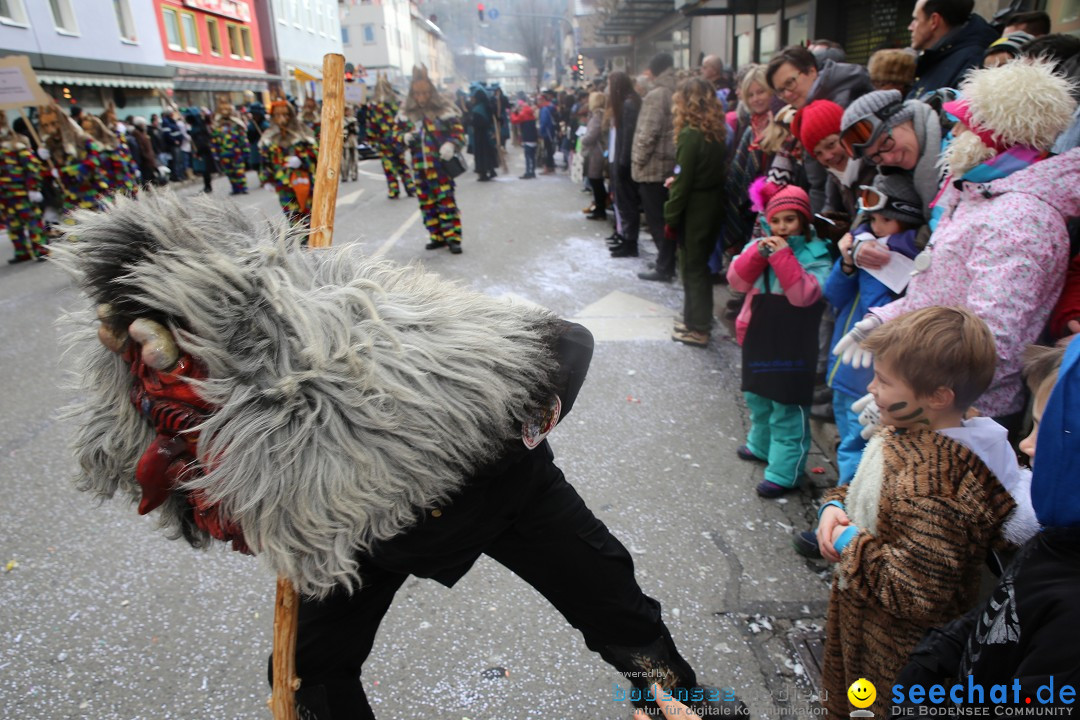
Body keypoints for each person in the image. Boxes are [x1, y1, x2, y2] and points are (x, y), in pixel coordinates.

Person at [53, 190, 749, 720]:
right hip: (363, 526)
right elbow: (175, 474)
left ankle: (694, 710)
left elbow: (565, 344)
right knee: (305, 673)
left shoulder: (393, 325)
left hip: (501, 492)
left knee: (623, 620)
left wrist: (514, 426)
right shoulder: (217, 400)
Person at [834, 59, 1080, 436]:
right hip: (939, 396)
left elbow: (994, 338)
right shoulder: (983, 194)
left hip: (966, 411)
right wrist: (885, 320)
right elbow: (941, 289)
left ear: (993, 135)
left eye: (964, 125)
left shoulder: (1020, 216)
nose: (954, 132)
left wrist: (914, 395)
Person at [815, 306, 1039, 718]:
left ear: (937, 397)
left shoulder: (938, 483)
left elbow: (915, 593)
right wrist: (835, 504)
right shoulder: (909, 428)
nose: (872, 388)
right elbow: (869, 484)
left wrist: (849, 541)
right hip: (859, 625)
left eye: (883, 381)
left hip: (893, 656)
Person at [792, 174, 924, 557]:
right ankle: (841, 515)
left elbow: (882, 302)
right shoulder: (865, 246)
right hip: (844, 367)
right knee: (850, 447)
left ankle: (848, 526)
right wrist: (849, 263)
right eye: (869, 219)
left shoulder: (906, 260)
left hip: (872, 375)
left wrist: (874, 256)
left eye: (883, 220)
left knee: (862, 450)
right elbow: (832, 296)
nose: (873, 227)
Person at [727, 185, 831, 498]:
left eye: (790, 220)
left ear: (803, 221)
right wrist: (757, 254)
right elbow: (736, 281)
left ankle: (785, 472)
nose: (782, 227)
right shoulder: (759, 246)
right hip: (758, 333)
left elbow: (804, 296)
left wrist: (783, 256)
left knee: (787, 406)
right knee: (757, 396)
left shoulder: (816, 253)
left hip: (793, 344)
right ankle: (761, 445)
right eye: (776, 220)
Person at [766, 44, 873, 212]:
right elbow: (822, 183)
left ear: (812, 71)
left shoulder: (848, 106)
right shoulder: (807, 110)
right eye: (780, 91)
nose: (787, 94)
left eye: (790, 83)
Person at [665, 78, 727, 348]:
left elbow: (683, 182)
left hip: (696, 209)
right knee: (697, 267)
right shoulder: (715, 131)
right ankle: (694, 320)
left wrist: (671, 215)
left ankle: (699, 327)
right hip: (711, 203)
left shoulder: (691, 134)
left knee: (693, 268)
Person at [399, 66, 466, 254]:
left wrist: (451, 144)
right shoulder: (407, 114)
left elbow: (459, 133)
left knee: (446, 203)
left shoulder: (443, 110)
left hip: (440, 168)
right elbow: (395, 135)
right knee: (427, 204)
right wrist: (403, 138)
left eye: (425, 93)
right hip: (420, 169)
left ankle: (453, 238)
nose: (421, 98)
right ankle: (436, 236)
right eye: (418, 94)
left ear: (431, 92)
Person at [633, 52, 678, 283]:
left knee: (657, 220)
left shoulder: (657, 95)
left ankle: (664, 265)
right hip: (668, 165)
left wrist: (638, 160)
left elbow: (648, 133)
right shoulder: (675, 90)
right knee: (664, 219)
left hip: (652, 168)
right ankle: (665, 261)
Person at [907, 0, 998, 100]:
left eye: (916, 19)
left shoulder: (971, 61)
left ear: (934, 21)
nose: (910, 27)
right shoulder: (936, 58)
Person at [36, 102, 109, 213]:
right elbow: (44, 174)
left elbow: (94, 162)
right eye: (46, 126)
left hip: (93, 194)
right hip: (71, 198)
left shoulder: (83, 139)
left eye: (54, 124)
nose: (51, 130)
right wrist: (42, 160)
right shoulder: (50, 146)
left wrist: (63, 171)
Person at [258, 99, 318, 227]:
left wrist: (302, 160)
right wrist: (266, 179)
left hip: (304, 182)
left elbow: (316, 153)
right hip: (284, 186)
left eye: (285, 115)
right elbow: (265, 160)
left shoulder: (303, 132)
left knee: (310, 218)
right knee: (294, 219)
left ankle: (311, 244)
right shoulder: (269, 136)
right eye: (277, 115)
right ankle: (302, 245)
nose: (282, 118)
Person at [0, 109, 48, 263]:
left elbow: (32, 166)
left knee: (32, 222)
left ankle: (40, 249)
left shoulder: (15, 143)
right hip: (4, 195)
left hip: (21, 192)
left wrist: (33, 188)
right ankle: (22, 251)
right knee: (13, 225)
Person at [607, 71, 643, 258]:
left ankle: (630, 242)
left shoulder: (628, 105)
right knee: (623, 202)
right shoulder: (628, 103)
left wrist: (622, 163)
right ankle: (626, 238)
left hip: (624, 162)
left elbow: (627, 138)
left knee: (627, 203)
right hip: (621, 159)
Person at [366, 73, 415, 199]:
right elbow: (404, 118)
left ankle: (394, 189)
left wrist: (371, 140)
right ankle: (410, 188)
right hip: (397, 138)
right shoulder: (396, 102)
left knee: (389, 166)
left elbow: (372, 125)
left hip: (384, 141)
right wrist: (408, 132)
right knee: (402, 163)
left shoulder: (373, 106)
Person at [80, 114, 137, 199]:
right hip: (106, 187)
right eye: (85, 129)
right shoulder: (89, 144)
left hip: (123, 182)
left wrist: (133, 171)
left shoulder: (115, 138)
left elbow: (127, 157)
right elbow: (90, 166)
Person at [210, 96, 249, 195]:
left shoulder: (236, 124)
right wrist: (215, 152)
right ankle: (235, 188)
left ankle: (242, 187)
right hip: (224, 153)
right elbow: (214, 140)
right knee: (230, 172)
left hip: (236, 152)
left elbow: (242, 137)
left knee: (239, 170)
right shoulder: (217, 126)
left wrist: (245, 150)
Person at [581, 91, 608, 221]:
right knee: (596, 182)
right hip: (598, 152)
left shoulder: (597, 116)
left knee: (596, 181)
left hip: (596, 153)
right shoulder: (601, 115)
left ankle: (600, 209)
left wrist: (583, 139)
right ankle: (599, 207)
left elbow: (592, 135)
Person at [468, 85, 498, 182]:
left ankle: (483, 174)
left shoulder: (477, 109)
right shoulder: (486, 106)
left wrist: (470, 121)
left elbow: (477, 123)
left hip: (480, 136)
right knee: (489, 153)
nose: (471, 99)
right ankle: (492, 170)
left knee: (482, 154)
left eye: (473, 97)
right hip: (487, 134)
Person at [185, 111, 215, 194]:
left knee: (205, 170)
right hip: (202, 149)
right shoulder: (197, 126)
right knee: (204, 169)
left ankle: (208, 186)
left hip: (203, 150)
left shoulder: (199, 127)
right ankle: (207, 186)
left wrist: (198, 152)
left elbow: (202, 141)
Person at [509, 100, 538, 179]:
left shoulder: (523, 114)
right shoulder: (530, 112)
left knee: (528, 156)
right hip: (533, 137)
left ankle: (528, 172)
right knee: (532, 156)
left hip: (527, 137)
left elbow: (514, 120)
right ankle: (532, 171)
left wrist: (513, 113)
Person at [538, 91, 558, 174]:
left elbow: (544, 122)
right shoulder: (551, 107)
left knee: (545, 150)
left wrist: (541, 132)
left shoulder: (544, 109)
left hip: (546, 132)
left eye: (539, 100)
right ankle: (551, 166)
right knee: (549, 150)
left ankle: (546, 168)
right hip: (551, 131)